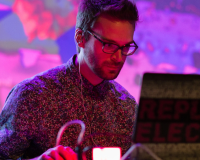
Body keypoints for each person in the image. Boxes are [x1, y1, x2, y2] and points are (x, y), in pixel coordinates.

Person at [0, 0, 139, 159]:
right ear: (80, 37)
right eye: (108, 45)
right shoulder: (32, 95)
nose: (118, 57)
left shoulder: (128, 107)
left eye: (126, 47)